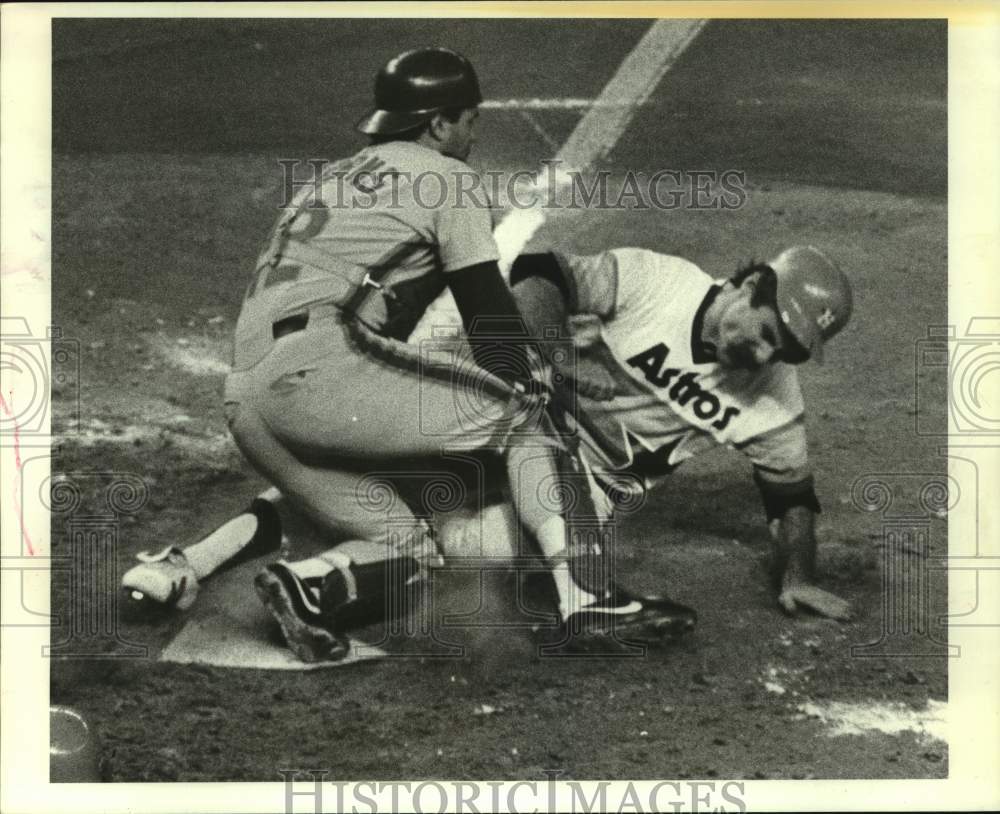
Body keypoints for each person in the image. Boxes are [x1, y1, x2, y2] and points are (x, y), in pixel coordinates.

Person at [122, 47, 693, 662]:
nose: (472, 134)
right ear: (440, 122)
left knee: (406, 542)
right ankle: (589, 600)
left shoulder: (334, 175)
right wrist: (546, 381)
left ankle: (244, 577)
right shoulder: (446, 178)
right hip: (322, 368)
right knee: (526, 409)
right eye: (469, 119)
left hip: (250, 402)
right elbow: (488, 316)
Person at [508, 245, 855, 620]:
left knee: (483, 553)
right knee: (507, 398)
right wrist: (561, 360)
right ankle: (585, 603)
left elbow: (792, 499)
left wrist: (797, 577)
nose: (761, 356)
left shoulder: (774, 399)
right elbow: (538, 273)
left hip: (580, 494)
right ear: (752, 285)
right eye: (768, 333)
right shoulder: (661, 283)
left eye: (780, 352)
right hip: (521, 414)